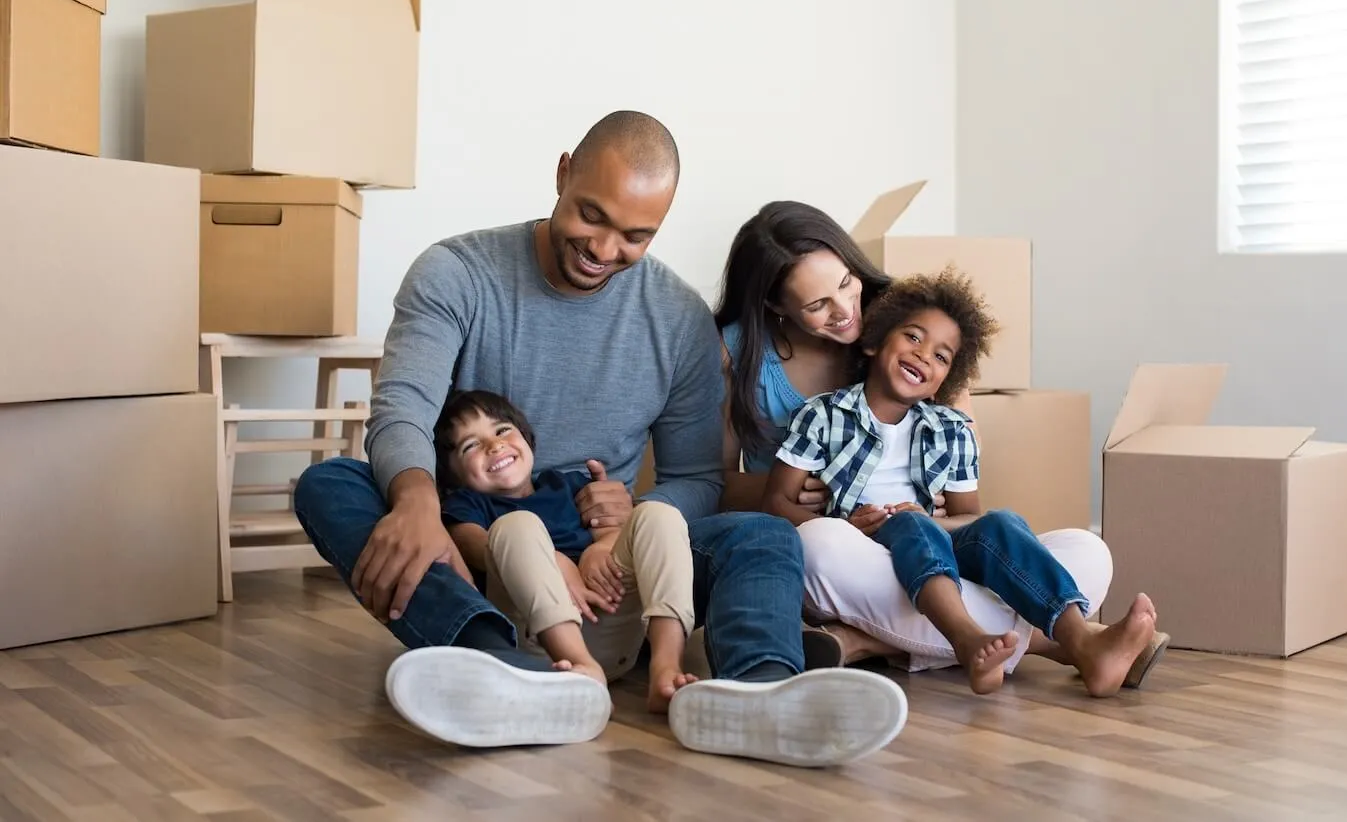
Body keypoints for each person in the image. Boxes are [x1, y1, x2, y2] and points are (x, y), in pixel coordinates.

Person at [294, 111, 907, 766]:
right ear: (563, 174)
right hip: (477, 543)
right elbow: (404, 407)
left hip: (614, 568)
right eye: (592, 216)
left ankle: (757, 690)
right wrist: (418, 503)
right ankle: (492, 659)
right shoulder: (456, 273)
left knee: (762, 534)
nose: (605, 249)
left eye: (635, 236)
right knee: (331, 485)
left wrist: (627, 524)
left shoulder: (676, 318)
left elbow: (698, 476)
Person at [713, 200, 1169, 685]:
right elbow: (715, 484)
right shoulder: (773, 378)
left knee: (1087, 552)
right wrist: (813, 497)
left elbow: (966, 506)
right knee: (821, 544)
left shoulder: (914, 326)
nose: (847, 311)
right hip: (842, 550)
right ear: (776, 306)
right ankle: (1060, 644)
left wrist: (937, 520)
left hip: (934, 544)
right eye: (817, 304)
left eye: (846, 283)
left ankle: (866, 641)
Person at [433, 388, 698, 712]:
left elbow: (614, 532)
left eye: (502, 430)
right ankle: (581, 667)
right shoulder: (467, 504)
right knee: (517, 525)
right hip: (542, 641)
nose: (494, 445)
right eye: (471, 445)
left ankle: (666, 668)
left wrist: (598, 550)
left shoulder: (567, 484)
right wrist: (553, 560)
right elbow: (473, 547)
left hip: (611, 618)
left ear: (527, 440)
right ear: (452, 475)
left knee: (659, 515)